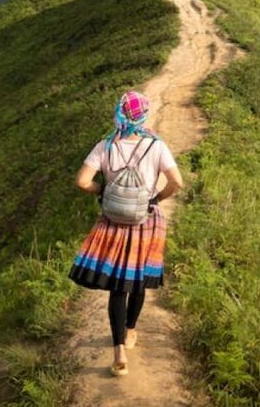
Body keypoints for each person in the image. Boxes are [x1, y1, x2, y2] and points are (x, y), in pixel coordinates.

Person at [69, 91, 184, 376]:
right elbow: (177, 182)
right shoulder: (156, 147)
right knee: (138, 282)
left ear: (118, 113)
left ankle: (118, 349)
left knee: (117, 288)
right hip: (145, 221)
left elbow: (82, 181)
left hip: (113, 221)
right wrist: (156, 198)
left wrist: (103, 190)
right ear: (143, 115)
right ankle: (130, 331)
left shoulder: (105, 146)